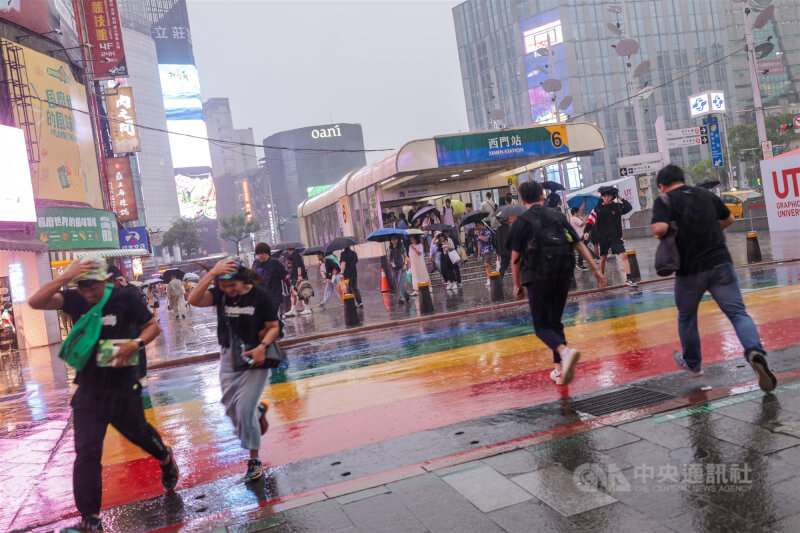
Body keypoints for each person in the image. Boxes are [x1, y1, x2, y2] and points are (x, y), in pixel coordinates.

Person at [29, 256, 178, 532]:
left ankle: (165, 458)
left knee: (140, 434)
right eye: (82, 287)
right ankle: (91, 519)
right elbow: (36, 302)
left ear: (106, 282)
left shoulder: (125, 299)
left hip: (123, 385)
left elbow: (153, 326)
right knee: (86, 452)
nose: (87, 293)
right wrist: (64, 278)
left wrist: (134, 345)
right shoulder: (75, 299)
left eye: (92, 288)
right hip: (89, 389)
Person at [651, 164, 776, 391]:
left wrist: (676, 229)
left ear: (662, 185)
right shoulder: (705, 195)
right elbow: (728, 219)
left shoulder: (665, 200)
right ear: (682, 178)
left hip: (690, 270)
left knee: (687, 317)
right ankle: (754, 350)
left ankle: (693, 363)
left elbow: (659, 229)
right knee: (738, 313)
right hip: (721, 263)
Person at [187, 258, 280, 483]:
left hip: (255, 357)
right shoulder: (220, 295)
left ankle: (254, 460)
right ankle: (258, 415)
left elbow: (274, 327)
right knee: (231, 409)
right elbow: (193, 299)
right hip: (229, 356)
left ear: (243, 280)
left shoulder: (260, 296)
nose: (228, 290)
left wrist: (262, 347)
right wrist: (211, 275)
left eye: (232, 286)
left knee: (244, 410)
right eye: (223, 286)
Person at [509, 182, 605, 386]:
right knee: (554, 322)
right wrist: (596, 269)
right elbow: (578, 243)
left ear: (522, 199)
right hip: (563, 275)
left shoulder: (521, 222)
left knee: (541, 327)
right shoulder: (557, 216)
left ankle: (565, 352)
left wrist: (516, 284)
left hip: (537, 277)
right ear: (542, 197)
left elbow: (515, 258)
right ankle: (560, 370)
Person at [583, 186, 636, 286]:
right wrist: (586, 231)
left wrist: (620, 197)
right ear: (602, 197)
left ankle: (629, 278)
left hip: (615, 237)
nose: (607, 198)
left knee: (623, 255)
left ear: (613, 196)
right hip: (603, 237)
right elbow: (590, 221)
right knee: (602, 259)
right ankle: (601, 277)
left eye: (609, 196)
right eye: (605, 196)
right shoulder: (597, 209)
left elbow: (628, 207)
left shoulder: (617, 206)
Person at [251, 242, 288, 316]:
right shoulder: (256, 262)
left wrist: (291, 288)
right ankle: (278, 325)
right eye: (258, 254)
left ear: (267, 253)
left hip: (274, 294)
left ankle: (277, 325)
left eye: (262, 253)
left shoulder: (275, 262)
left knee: (271, 316)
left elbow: (284, 276)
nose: (260, 256)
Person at [284, 247, 311, 316]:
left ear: (292, 249)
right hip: (295, 276)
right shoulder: (294, 255)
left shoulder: (296, 255)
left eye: (288, 250)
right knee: (293, 293)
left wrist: (299, 275)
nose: (288, 251)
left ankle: (307, 308)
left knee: (303, 291)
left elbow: (299, 266)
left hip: (298, 277)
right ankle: (293, 309)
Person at [387, 235, 410, 303]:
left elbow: (405, 256)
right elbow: (388, 257)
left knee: (401, 282)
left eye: (394, 239)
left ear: (398, 240)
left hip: (402, 267)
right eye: (392, 239)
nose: (393, 240)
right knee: (398, 283)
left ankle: (401, 298)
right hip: (394, 268)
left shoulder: (402, 247)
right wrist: (389, 259)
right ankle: (407, 294)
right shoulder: (389, 248)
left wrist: (405, 264)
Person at [475, 220, 496, 286]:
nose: (477, 227)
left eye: (478, 225)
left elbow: (486, 239)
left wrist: (479, 235)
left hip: (489, 250)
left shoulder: (487, 231)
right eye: (476, 226)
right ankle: (489, 278)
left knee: (487, 264)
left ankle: (490, 279)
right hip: (483, 251)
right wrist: (478, 254)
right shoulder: (478, 233)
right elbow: (479, 244)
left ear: (482, 225)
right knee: (486, 265)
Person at [570, 206, 589, 270]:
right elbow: (582, 224)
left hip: (580, 236)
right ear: (575, 212)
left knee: (582, 250)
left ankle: (580, 263)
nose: (579, 213)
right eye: (578, 212)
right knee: (582, 250)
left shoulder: (575, 218)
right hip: (579, 236)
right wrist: (586, 217)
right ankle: (579, 263)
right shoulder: (574, 218)